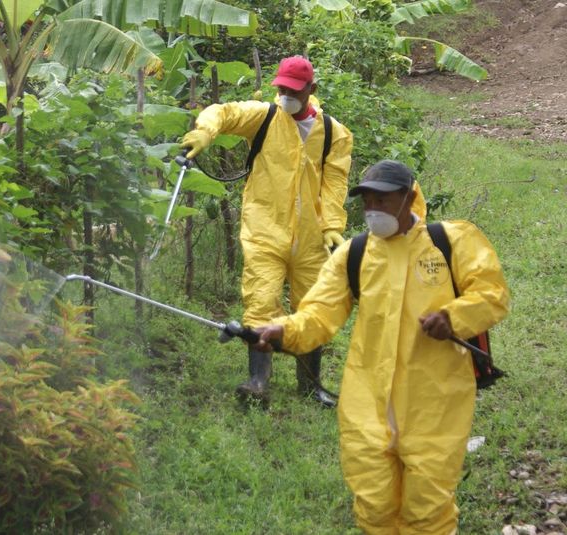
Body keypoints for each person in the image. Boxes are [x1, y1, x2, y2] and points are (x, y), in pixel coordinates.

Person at [254, 160, 510, 534]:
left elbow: (493, 294)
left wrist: (455, 316)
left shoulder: (451, 241)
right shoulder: (353, 254)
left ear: (409, 198)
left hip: (435, 401)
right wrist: (283, 331)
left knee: (427, 509)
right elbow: (319, 314)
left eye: (384, 199)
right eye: (368, 200)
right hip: (367, 401)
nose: (374, 208)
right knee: (373, 506)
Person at [181, 56, 352, 407]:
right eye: (282, 88)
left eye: (293, 89)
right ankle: (258, 381)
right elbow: (224, 112)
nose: (286, 94)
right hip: (265, 230)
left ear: (311, 90)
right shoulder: (264, 116)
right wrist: (204, 131)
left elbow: (335, 183)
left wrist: (333, 226)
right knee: (260, 301)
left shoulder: (334, 132)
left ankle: (310, 385)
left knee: (312, 307)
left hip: (310, 238)